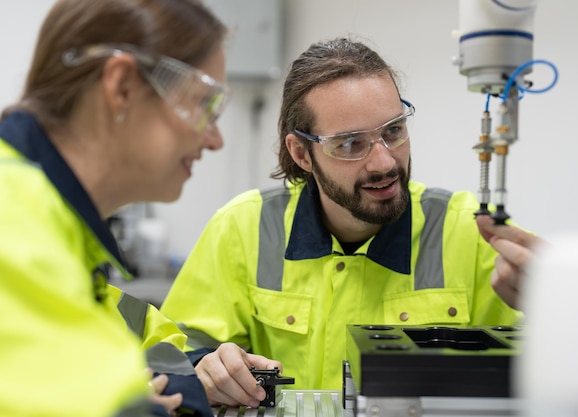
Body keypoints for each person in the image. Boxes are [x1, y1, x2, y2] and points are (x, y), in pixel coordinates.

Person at [159, 37, 540, 408]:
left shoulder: (466, 230)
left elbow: (544, 369)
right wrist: (203, 367)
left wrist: (560, 302)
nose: (385, 163)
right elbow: (170, 355)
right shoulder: (243, 226)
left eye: (393, 131)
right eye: (349, 144)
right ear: (302, 153)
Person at [0, 0, 229, 416]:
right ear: (122, 87)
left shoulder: (60, 230)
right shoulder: (12, 215)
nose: (215, 139)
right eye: (203, 105)